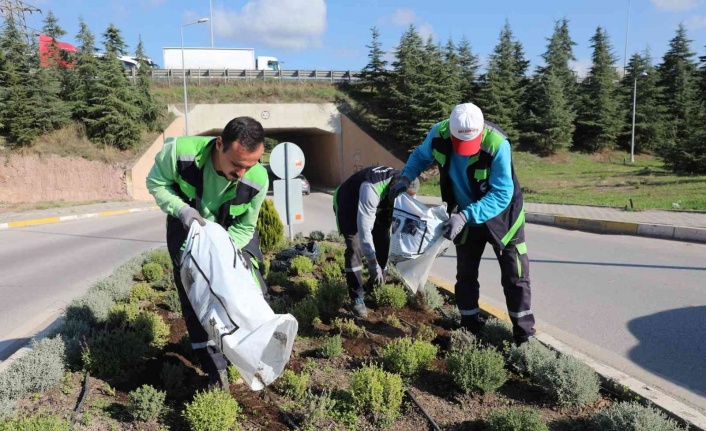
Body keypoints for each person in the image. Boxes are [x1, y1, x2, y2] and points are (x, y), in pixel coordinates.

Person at [389, 103, 535, 345]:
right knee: (466, 273)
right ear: (451, 131)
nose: (466, 151)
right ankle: (469, 326)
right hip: (463, 215)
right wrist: (406, 177)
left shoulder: (497, 144)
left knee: (515, 275)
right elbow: (420, 156)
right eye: (461, 144)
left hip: (503, 217)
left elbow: (501, 193)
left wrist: (466, 215)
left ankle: (524, 335)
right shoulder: (439, 133)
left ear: (481, 131)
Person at [146, 116, 269, 388]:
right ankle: (216, 370)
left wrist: (226, 259)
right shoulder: (180, 154)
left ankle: (250, 360)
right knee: (197, 299)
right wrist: (182, 210)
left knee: (253, 290)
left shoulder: (258, 179)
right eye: (237, 164)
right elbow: (156, 183)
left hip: (233, 235)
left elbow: (245, 226)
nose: (242, 174)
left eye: (250, 165)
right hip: (187, 228)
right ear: (220, 144)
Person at [333, 166, 420, 318]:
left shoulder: (405, 190)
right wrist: (373, 265)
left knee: (383, 240)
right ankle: (357, 297)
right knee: (355, 246)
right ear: (394, 187)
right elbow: (365, 232)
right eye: (401, 199)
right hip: (348, 202)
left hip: (381, 202)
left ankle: (374, 288)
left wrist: (385, 265)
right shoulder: (371, 188)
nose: (403, 202)